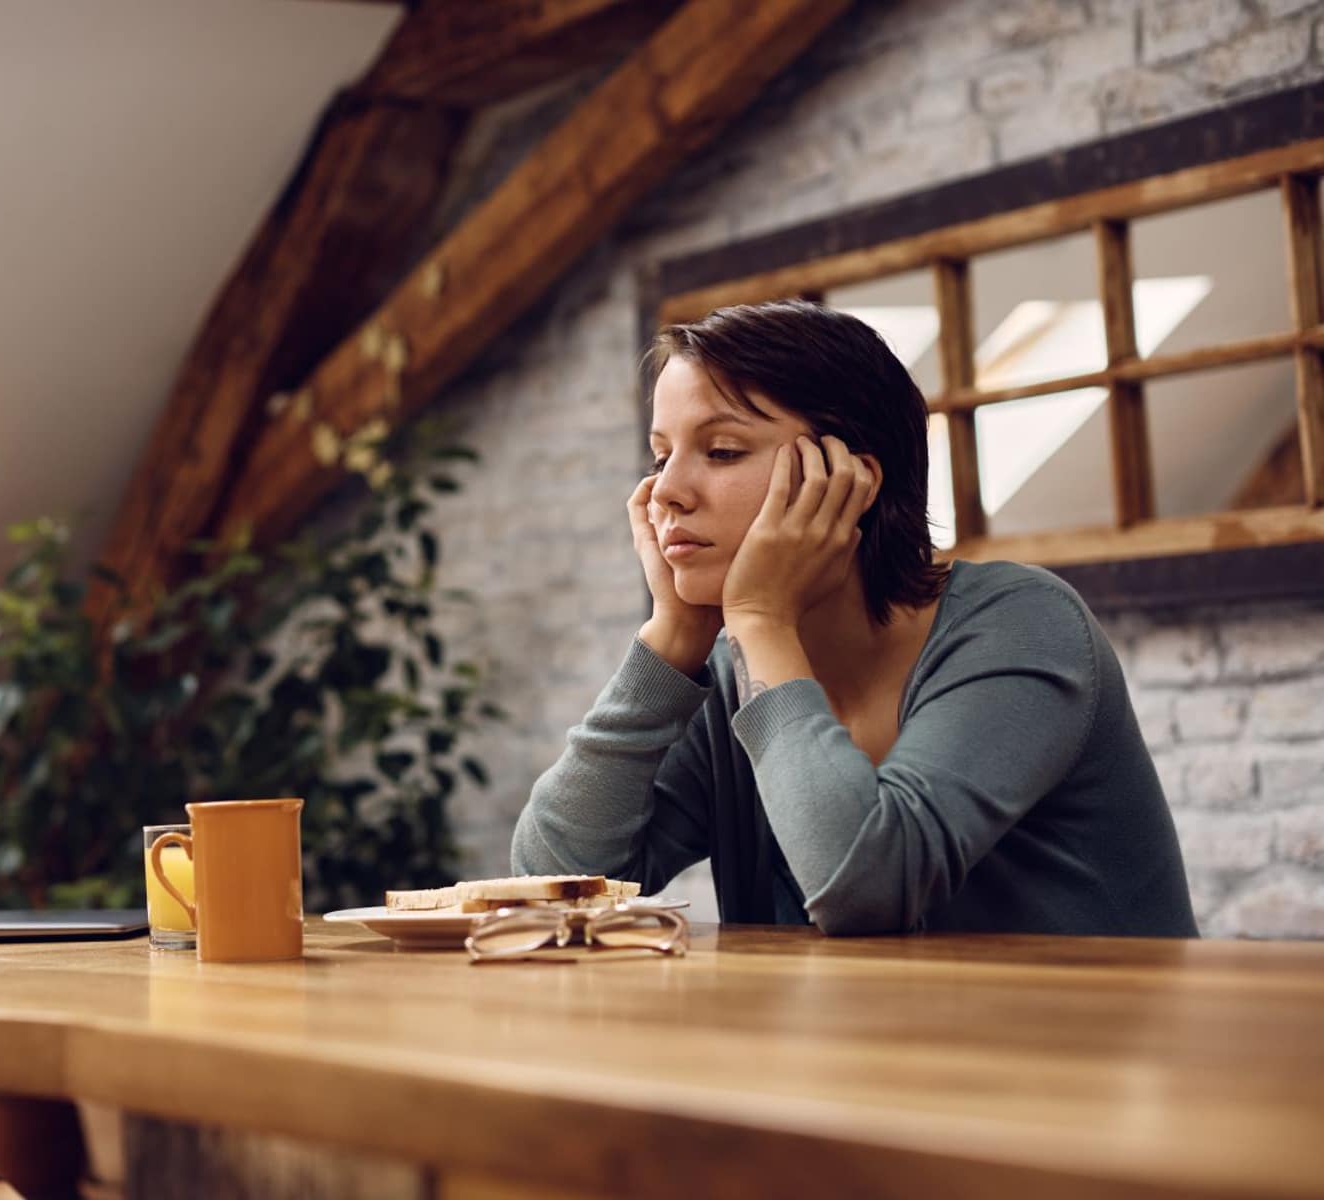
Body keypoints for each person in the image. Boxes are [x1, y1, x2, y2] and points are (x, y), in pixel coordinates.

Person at [511, 301, 1197, 937]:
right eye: (662, 456)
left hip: (1078, 1058)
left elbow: (865, 886)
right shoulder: (730, 668)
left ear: (851, 479)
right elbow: (551, 880)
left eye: (720, 451)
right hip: (858, 1058)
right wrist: (670, 641)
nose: (666, 492)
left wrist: (759, 618)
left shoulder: (1023, 624)